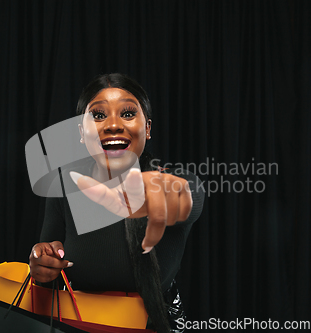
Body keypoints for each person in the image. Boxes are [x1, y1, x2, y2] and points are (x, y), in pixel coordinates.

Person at [29, 73, 204, 332]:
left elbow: (188, 196)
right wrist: (43, 265)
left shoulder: (172, 181)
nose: (113, 125)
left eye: (128, 113)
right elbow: (48, 264)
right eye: (98, 115)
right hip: (79, 325)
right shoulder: (64, 185)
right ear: (81, 132)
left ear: (147, 128)